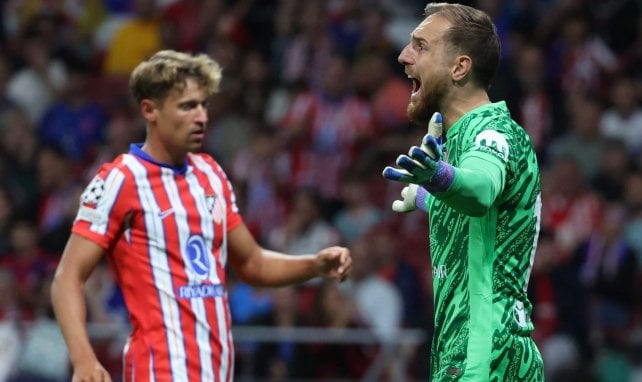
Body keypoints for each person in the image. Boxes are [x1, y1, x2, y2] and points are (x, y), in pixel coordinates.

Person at [50, 49, 352, 382]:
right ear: (150, 110)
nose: (202, 117)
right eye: (187, 106)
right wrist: (83, 358)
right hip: (160, 369)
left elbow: (252, 264)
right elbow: (67, 278)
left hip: (216, 370)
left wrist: (314, 265)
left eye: (204, 105)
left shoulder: (211, 173)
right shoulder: (120, 179)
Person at [381, 3, 544, 380]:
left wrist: (438, 178)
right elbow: (479, 211)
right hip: (468, 350)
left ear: (459, 67)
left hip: (485, 356)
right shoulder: (461, 139)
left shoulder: (493, 133)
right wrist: (429, 197)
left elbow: (482, 189)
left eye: (420, 46)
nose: (404, 56)